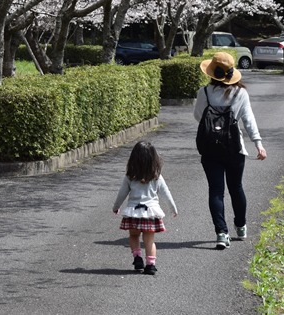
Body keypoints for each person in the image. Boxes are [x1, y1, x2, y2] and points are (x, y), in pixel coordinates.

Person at [194, 51, 267, 249]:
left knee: (216, 191)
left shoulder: (204, 92)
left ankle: (221, 233)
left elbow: (198, 116)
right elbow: (248, 120)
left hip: (210, 149)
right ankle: (241, 226)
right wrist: (258, 144)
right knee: (236, 188)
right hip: (234, 148)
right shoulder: (240, 93)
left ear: (212, 72)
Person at [112, 140, 178, 275]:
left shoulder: (130, 176)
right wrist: (173, 209)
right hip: (150, 213)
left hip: (133, 212)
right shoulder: (156, 177)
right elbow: (166, 194)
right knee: (149, 241)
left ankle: (137, 258)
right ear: (154, 159)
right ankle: (150, 265)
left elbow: (122, 194)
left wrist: (116, 206)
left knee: (134, 236)